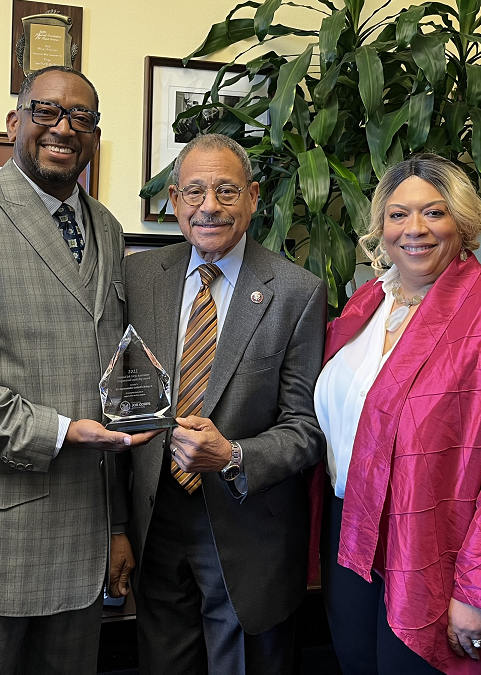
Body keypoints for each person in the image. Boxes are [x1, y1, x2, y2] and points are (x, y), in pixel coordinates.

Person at [0, 65, 155, 674]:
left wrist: (117, 525)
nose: (64, 127)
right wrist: (60, 432)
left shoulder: (108, 229)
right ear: (15, 122)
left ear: (95, 136)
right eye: (46, 111)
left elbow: (108, 380)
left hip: (82, 554)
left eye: (82, 118)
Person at [314, 154, 481, 675]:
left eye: (434, 213)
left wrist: (480, 590)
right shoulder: (366, 304)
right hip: (351, 531)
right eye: (399, 215)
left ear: (464, 222)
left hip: (438, 543)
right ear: (380, 227)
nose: (415, 230)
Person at [122, 133, 326, 674]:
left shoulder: (296, 291)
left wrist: (233, 455)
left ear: (254, 197)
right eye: (194, 191)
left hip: (246, 529)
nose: (209, 205)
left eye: (226, 191)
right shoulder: (139, 277)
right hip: (155, 521)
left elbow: (305, 427)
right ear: (173, 200)